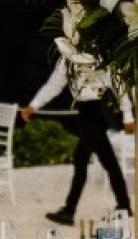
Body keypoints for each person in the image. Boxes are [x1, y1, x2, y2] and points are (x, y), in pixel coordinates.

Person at [23, 58, 131, 226]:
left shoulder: (100, 55)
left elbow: (118, 83)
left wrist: (128, 114)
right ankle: (124, 205)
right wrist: (33, 105)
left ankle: (69, 211)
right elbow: (53, 86)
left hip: (97, 110)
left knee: (81, 158)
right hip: (84, 112)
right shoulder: (67, 58)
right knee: (108, 161)